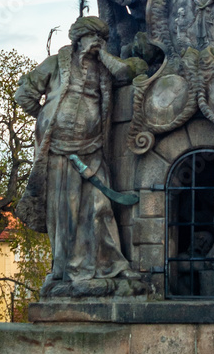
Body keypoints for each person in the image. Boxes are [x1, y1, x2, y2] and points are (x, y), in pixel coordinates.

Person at [15, 16, 136, 295]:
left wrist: (104, 53)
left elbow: (126, 75)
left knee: (100, 206)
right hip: (59, 150)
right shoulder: (57, 63)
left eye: (102, 38)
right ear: (79, 37)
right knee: (65, 212)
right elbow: (25, 95)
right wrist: (46, 119)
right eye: (93, 36)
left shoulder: (104, 67)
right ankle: (68, 272)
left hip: (92, 147)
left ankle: (110, 265)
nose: (98, 42)